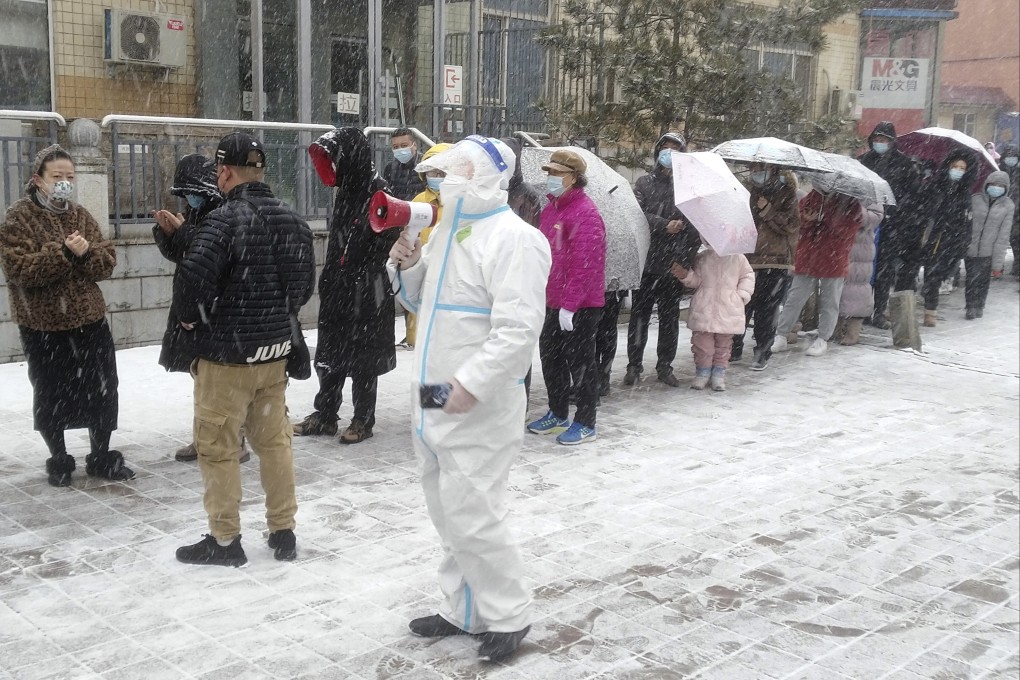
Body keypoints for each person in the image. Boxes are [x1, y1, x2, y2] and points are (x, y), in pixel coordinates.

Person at [386, 136, 551, 663]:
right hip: (433, 395)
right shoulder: (447, 232)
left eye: (456, 170)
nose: (443, 179)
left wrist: (470, 385)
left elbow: (517, 333)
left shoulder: (516, 239)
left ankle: (507, 614)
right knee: (446, 511)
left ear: (487, 177)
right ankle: (462, 607)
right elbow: (420, 304)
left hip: (478, 401)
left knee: (475, 511)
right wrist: (408, 262)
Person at [173, 132, 314, 567]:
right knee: (275, 444)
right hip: (273, 356)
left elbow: (191, 286)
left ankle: (225, 540)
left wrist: (191, 320)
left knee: (218, 447)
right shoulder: (292, 219)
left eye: (218, 171)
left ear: (225, 171)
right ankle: (283, 530)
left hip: (225, 359)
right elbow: (303, 289)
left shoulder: (222, 221)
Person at [0, 145, 133, 487]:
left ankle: (101, 454)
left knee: (102, 390)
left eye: (69, 177)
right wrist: (62, 254)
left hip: (89, 321)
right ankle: (58, 457)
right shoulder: (18, 217)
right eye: (56, 177)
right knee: (51, 392)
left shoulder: (79, 215)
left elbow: (106, 261)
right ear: (38, 180)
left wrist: (86, 253)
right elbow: (19, 269)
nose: (64, 183)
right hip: (44, 325)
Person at [293, 128, 398, 444]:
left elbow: (388, 236)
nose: (334, 167)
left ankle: (363, 419)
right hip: (338, 287)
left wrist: (363, 270)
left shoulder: (380, 193)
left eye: (337, 159)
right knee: (330, 354)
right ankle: (325, 415)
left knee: (364, 360)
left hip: (367, 289)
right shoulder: (346, 193)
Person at [152, 155, 252, 464]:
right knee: (202, 381)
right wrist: (167, 234)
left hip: (214, 311)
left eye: (192, 192)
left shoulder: (222, 215)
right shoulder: (195, 212)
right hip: (194, 307)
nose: (188, 199)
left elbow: (207, 257)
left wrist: (182, 236)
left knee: (222, 384)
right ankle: (204, 437)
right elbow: (184, 256)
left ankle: (236, 440)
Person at [528, 149, 607, 445]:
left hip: (580, 306)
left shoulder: (586, 214)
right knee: (551, 358)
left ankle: (586, 421)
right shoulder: (551, 209)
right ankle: (557, 412)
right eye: (549, 173)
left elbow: (586, 265)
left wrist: (570, 305)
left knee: (581, 363)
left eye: (557, 174)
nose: (551, 179)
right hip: (551, 300)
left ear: (575, 178)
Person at [624, 132, 700, 387]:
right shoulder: (644, 183)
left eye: (675, 150)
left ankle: (665, 365)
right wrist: (663, 224)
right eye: (665, 149)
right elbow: (637, 215)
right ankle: (634, 365)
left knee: (669, 320)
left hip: (673, 265)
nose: (669, 154)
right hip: (647, 263)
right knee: (639, 317)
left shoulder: (688, 189)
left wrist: (686, 262)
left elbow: (695, 229)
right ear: (657, 153)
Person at [773, 187, 864, 357]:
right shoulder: (812, 196)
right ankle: (781, 335)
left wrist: (827, 217)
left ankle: (823, 338)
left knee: (830, 301)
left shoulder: (851, 202)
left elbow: (849, 230)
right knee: (794, 298)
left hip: (834, 257)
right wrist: (808, 220)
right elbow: (798, 220)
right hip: (809, 256)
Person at [732, 164, 800, 371]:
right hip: (748, 258)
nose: (756, 171)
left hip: (775, 261)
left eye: (761, 168)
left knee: (766, 310)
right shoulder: (746, 192)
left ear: (773, 169)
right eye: (753, 167)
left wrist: (768, 209)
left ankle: (762, 352)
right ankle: (734, 347)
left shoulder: (787, 194)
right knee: (741, 306)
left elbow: (791, 225)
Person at [857, 121, 921, 329]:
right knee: (864, 270)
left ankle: (879, 311)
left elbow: (913, 195)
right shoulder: (864, 161)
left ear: (892, 141)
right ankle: (862, 310)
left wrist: (897, 212)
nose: (880, 143)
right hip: (866, 223)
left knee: (884, 271)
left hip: (892, 226)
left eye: (884, 139)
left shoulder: (904, 164)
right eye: (877, 139)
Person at [904, 149, 976, 327]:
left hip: (945, 240)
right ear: (948, 166)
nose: (958, 170)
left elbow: (966, 221)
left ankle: (930, 311)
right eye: (955, 166)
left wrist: (960, 241)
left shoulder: (964, 194)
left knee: (933, 276)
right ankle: (903, 308)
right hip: (924, 235)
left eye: (962, 168)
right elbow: (920, 207)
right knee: (908, 273)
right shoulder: (934, 185)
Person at [671, 238, 754, 390]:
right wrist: (685, 275)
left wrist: (742, 295)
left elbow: (747, 276)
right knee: (702, 345)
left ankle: (718, 373)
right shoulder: (702, 257)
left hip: (728, 307)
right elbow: (696, 281)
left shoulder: (738, 258)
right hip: (705, 307)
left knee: (724, 345)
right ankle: (702, 372)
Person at [400, 142, 453, 351]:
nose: (437, 176)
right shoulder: (419, 202)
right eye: (433, 171)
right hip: (423, 275)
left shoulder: (461, 202)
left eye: (443, 171)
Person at [965, 170, 1014, 319]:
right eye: (993, 184)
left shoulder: (1008, 205)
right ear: (987, 184)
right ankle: (970, 306)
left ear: (1005, 188)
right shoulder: (975, 199)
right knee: (971, 278)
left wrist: (998, 264)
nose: (996, 187)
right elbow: (966, 223)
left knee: (982, 280)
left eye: (1000, 185)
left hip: (989, 251)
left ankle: (979, 304)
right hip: (971, 248)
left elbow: (1003, 235)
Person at [834, 202, 882, 346]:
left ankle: (853, 331)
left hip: (861, 247)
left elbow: (876, 218)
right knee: (838, 287)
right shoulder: (841, 192)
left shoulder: (871, 196)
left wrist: (857, 210)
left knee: (857, 287)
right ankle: (837, 327)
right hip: (840, 243)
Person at [382, 127, 425, 201]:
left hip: (422, 210)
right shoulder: (390, 169)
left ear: (414, 145)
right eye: (396, 147)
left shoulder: (426, 165)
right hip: (398, 210)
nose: (400, 149)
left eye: (404, 145)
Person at [999, 144, 1020, 276]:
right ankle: (997, 266)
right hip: (1002, 210)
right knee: (1003, 239)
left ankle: (1017, 265)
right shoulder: (998, 171)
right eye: (1008, 156)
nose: (1010, 158)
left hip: (1017, 212)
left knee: (1016, 239)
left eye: (1013, 156)